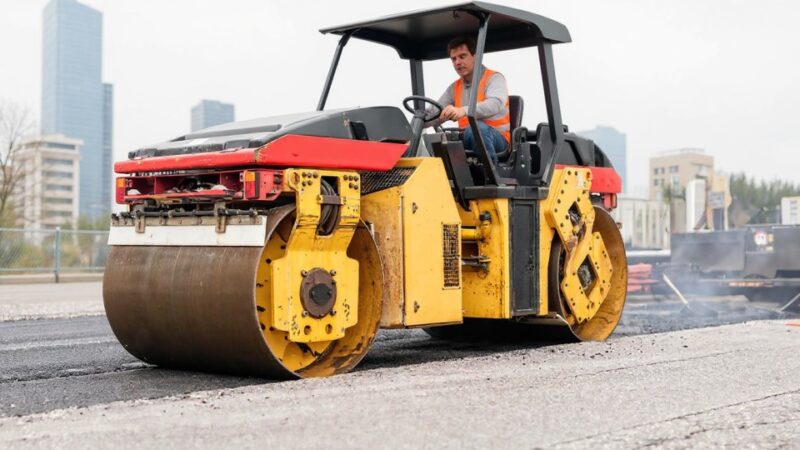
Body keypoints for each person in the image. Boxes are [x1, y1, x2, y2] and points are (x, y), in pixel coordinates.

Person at [428, 36, 511, 162]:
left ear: (475, 56)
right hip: (469, 136)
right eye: (454, 59)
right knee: (437, 141)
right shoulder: (454, 88)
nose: (457, 62)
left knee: (477, 129)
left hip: (498, 139)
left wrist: (464, 110)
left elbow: (495, 104)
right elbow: (434, 111)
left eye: (462, 56)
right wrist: (413, 128)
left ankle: (491, 176)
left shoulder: (494, 78)